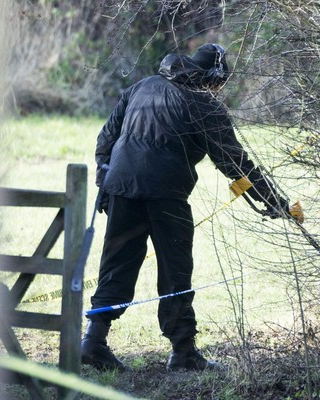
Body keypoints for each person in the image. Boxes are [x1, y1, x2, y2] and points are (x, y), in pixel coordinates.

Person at [81, 43, 292, 372]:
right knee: (175, 271)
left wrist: (105, 182)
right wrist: (273, 202)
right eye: (220, 84)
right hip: (165, 194)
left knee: (116, 265)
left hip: (121, 188)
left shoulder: (143, 85)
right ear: (214, 79)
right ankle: (183, 353)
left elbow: (106, 138)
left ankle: (93, 341)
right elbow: (234, 162)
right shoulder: (205, 107)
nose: (219, 91)